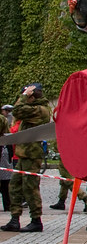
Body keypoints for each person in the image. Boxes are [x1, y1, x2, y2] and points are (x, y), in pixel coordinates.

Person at [1, 84, 52, 233]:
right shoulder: (32, 109)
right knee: (15, 187)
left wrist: (24, 96)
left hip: (32, 155)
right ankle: (14, 219)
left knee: (30, 188)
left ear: (32, 96)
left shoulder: (41, 110)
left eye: (27, 94)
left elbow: (16, 110)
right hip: (23, 155)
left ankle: (36, 220)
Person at [0, 105, 11, 212]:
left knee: (5, 179)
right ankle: (7, 205)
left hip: (2, 151)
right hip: (3, 149)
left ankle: (8, 205)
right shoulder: (3, 119)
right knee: (5, 181)